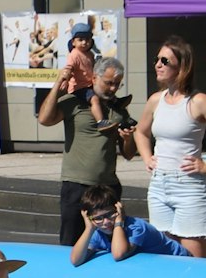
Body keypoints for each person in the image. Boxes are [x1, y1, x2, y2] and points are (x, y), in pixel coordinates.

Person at [132, 38, 206, 258]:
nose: (158, 64)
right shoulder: (156, 100)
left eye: (165, 60)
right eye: (157, 59)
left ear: (182, 67)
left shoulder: (198, 101)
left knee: (195, 262)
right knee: (163, 256)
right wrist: (147, 157)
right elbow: (141, 131)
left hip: (189, 187)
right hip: (159, 185)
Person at [38, 48, 134, 247]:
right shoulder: (75, 102)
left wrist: (127, 139)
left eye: (117, 84)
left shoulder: (118, 109)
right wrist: (58, 85)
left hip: (108, 186)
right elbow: (45, 119)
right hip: (77, 184)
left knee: (109, 243)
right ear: (94, 77)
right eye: (109, 83)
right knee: (71, 241)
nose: (113, 88)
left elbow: (129, 154)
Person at [70, 184, 188, 265]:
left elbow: (118, 254)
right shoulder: (98, 233)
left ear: (119, 208)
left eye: (110, 214)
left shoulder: (136, 227)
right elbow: (76, 260)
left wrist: (118, 222)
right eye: (98, 218)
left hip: (180, 260)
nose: (105, 222)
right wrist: (89, 229)